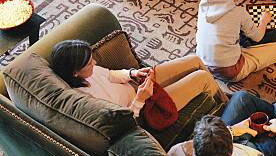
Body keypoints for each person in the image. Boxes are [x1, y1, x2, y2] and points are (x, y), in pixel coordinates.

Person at [50, 40, 227, 117]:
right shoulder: (85, 100)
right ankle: (226, 110)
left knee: (194, 60)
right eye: (89, 63)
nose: (95, 63)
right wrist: (140, 99)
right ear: (74, 72)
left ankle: (224, 98)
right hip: (144, 110)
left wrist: (132, 74)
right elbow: (123, 122)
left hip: (138, 85)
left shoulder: (90, 70)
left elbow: (110, 75)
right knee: (202, 78)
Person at [196, 0, 276, 82]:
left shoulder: (203, 4)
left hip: (202, 64)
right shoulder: (238, 12)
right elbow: (258, 37)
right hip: (230, 71)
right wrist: (264, 21)